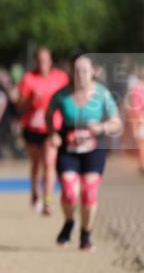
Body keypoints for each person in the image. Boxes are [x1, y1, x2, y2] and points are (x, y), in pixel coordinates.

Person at [46, 53, 122, 251]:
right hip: (68, 149)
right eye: (77, 71)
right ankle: (69, 222)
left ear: (93, 72)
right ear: (72, 72)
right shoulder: (62, 95)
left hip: (93, 148)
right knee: (70, 193)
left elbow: (116, 122)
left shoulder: (102, 94)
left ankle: (86, 234)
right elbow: (49, 114)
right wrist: (53, 133)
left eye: (85, 71)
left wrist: (101, 128)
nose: (80, 75)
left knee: (89, 191)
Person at [17, 47, 69, 216]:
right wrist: (31, 100)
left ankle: (47, 201)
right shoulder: (28, 79)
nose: (42, 63)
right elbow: (20, 107)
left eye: (45, 59)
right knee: (36, 164)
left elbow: (68, 101)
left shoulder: (60, 78)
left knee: (49, 163)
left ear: (51, 60)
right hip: (32, 128)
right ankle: (34, 192)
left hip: (52, 128)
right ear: (35, 61)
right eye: (39, 59)